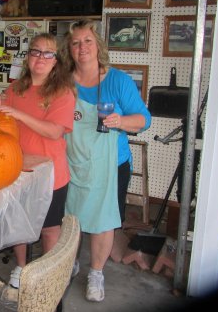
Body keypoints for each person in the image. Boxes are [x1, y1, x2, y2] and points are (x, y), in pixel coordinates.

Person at [59, 19, 151, 302]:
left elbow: (143, 120)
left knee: (103, 221)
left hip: (110, 166)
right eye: (75, 43)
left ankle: (96, 273)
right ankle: (69, 264)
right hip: (71, 162)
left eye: (87, 41)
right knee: (70, 218)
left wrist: (121, 121)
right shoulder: (62, 80)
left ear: (98, 45)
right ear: (69, 49)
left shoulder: (118, 81)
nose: (82, 47)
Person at [0, 32, 76, 289]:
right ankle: (21, 267)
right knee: (20, 224)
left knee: (49, 228)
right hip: (19, 168)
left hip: (51, 173)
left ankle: (49, 272)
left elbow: (54, 131)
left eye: (48, 53)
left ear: (56, 60)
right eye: (36, 51)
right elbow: (5, 122)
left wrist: (16, 112)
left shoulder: (63, 92)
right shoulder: (16, 88)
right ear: (28, 57)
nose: (41, 58)